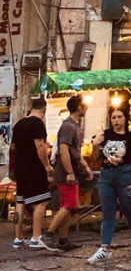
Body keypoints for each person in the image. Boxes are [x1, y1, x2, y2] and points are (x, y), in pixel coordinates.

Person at [86, 107, 131, 264]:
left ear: (125, 118)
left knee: (129, 209)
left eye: (119, 117)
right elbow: (95, 158)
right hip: (107, 175)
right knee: (108, 211)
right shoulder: (105, 135)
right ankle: (105, 247)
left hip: (125, 174)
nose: (116, 120)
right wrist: (95, 145)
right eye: (113, 117)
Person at [39, 95, 93, 251]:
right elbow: (64, 149)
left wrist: (85, 168)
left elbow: (75, 152)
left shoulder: (74, 126)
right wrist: (69, 172)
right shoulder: (69, 126)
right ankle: (47, 235)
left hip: (72, 171)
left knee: (68, 206)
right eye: (85, 105)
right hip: (66, 173)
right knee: (70, 204)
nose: (87, 108)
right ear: (79, 108)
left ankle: (63, 239)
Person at [11, 98, 53, 250]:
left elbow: (14, 147)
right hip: (34, 168)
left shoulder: (19, 124)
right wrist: (47, 166)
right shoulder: (37, 123)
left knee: (20, 202)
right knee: (41, 202)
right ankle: (36, 237)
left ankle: (18, 238)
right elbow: (40, 146)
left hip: (20, 168)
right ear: (44, 109)